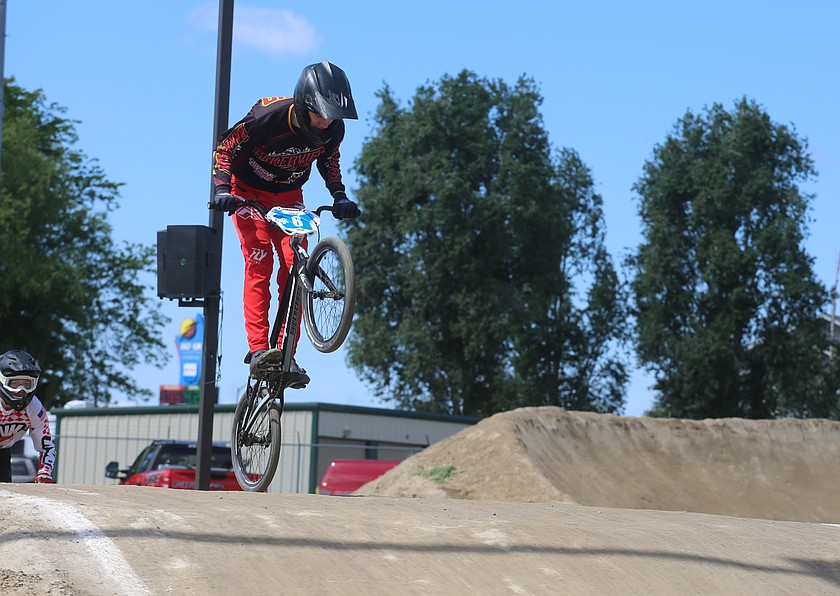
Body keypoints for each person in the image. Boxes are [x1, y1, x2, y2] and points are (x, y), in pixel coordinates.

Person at [210, 60, 361, 387]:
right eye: (320, 114)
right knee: (260, 258)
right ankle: (258, 349)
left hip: (289, 194)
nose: (325, 122)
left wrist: (340, 196)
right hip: (246, 192)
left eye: (332, 116)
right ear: (304, 103)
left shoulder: (333, 129)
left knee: (296, 265)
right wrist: (222, 190)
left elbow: (329, 162)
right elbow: (224, 150)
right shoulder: (267, 118)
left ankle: (284, 350)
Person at [0, 349, 56, 483]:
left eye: (27, 384)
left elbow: (47, 446)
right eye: (14, 383)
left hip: (3, 452)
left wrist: (44, 472)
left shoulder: (34, 408)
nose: (21, 391)